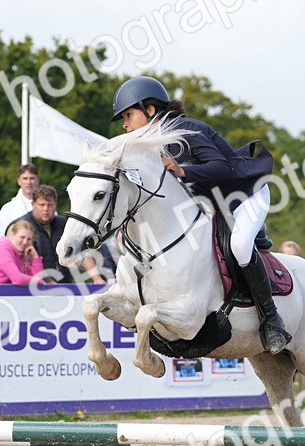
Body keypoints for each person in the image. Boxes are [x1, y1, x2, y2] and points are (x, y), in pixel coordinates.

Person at [110, 75, 289, 353]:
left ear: (151, 110)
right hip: (210, 200)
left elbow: (221, 167)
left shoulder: (186, 130)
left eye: (128, 115)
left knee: (240, 246)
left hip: (244, 192)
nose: (125, 124)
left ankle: (271, 319)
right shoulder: (148, 146)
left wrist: (183, 170)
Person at [0, 219, 44, 286]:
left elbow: (36, 283)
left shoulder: (21, 253)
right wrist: (40, 282)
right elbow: (17, 279)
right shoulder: (1, 250)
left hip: (7, 293)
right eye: (22, 237)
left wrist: (35, 258)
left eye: (29, 239)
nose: (25, 242)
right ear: (12, 235)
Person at [0, 163, 40, 241]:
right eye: (25, 178)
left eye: (32, 178)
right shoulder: (8, 208)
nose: (28, 182)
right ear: (19, 181)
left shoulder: (47, 207)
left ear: (37, 180)